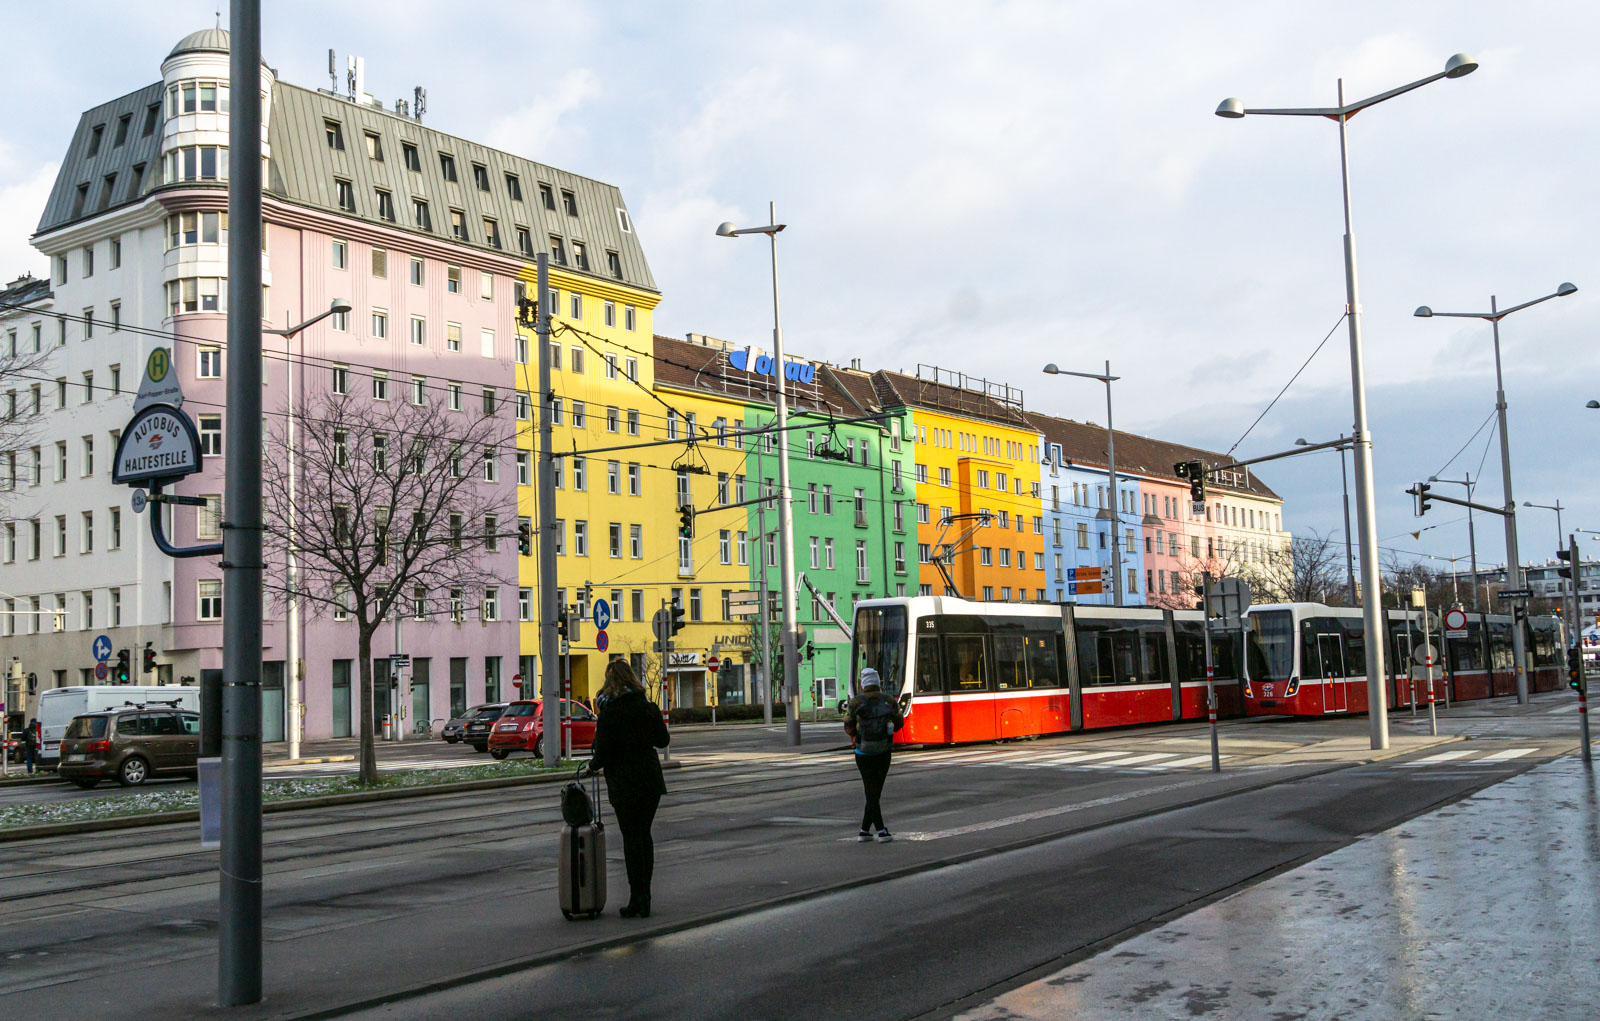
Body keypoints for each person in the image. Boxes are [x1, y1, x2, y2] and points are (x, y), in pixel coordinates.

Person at [585, 659, 670, 918]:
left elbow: (604, 750)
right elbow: (663, 740)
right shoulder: (648, 708)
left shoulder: (610, 712)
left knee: (631, 839)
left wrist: (592, 766)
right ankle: (645, 898)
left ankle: (637, 899)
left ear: (610, 683)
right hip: (650, 781)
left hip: (624, 782)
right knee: (644, 837)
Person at [844, 667, 904, 842]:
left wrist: (854, 733)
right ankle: (881, 830)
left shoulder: (855, 703)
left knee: (870, 791)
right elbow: (899, 723)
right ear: (878, 682)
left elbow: (848, 727)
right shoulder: (889, 701)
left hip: (862, 752)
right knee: (875, 791)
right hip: (883, 751)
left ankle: (865, 830)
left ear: (863, 683)